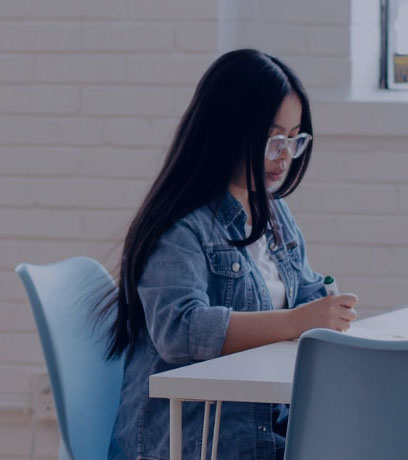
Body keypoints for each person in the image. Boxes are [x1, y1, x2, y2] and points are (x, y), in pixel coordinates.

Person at [102, 49, 358, 460]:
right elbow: (179, 329)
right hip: (194, 444)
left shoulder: (276, 214)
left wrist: (323, 309)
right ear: (226, 131)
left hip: (263, 432)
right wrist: (295, 321)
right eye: (273, 138)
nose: (284, 155)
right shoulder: (182, 224)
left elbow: (306, 291)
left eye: (295, 139)